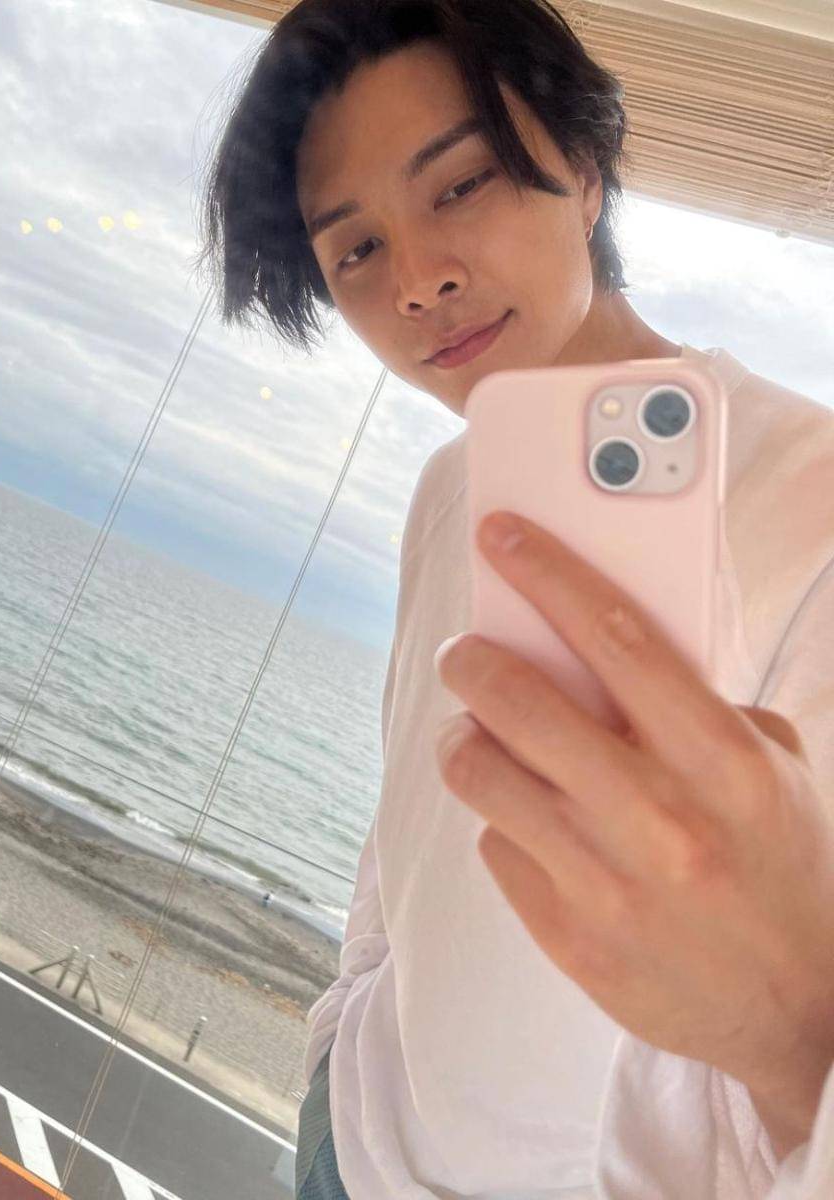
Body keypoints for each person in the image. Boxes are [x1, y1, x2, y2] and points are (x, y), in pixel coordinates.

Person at [193, 1, 834, 1195]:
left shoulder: (810, 503)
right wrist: (345, 1017)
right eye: (355, 250)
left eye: (460, 184)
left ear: (583, 171)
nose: (419, 280)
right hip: (348, 1142)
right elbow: (408, 826)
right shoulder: (451, 486)